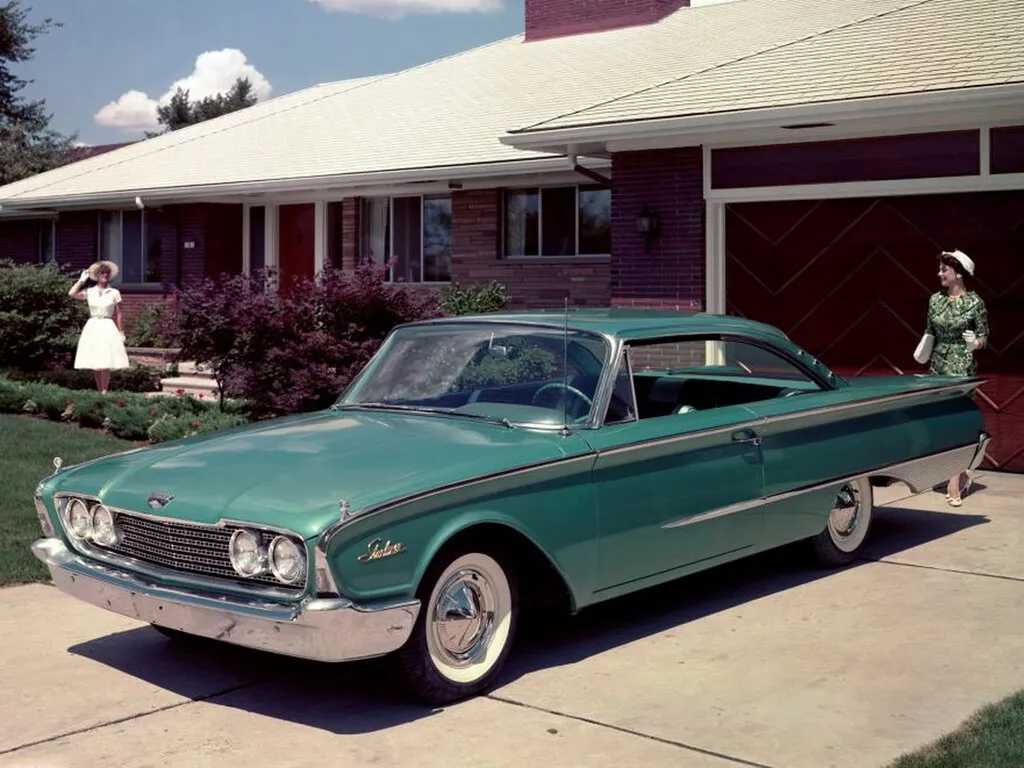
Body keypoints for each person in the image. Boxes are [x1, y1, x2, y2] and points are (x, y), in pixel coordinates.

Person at [923, 249, 989, 507]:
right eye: (940, 269)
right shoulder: (934, 300)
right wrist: (923, 351)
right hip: (938, 365)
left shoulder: (975, 303)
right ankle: (956, 470)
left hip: (962, 367)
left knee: (958, 421)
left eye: (944, 270)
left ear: (958, 273)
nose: (939, 273)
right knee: (942, 422)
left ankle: (954, 480)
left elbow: (985, 336)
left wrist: (976, 343)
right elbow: (929, 332)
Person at [69, 261, 129, 394]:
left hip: (107, 326)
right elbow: (71, 294)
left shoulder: (114, 292)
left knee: (105, 360)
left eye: (107, 272)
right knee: (96, 361)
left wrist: (121, 331)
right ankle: (99, 390)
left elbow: (119, 313)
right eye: (102, 272)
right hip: (93, 327)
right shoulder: (90, 291)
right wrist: (81, 280)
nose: (105, 275)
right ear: (97, 275)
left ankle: (105, 391)